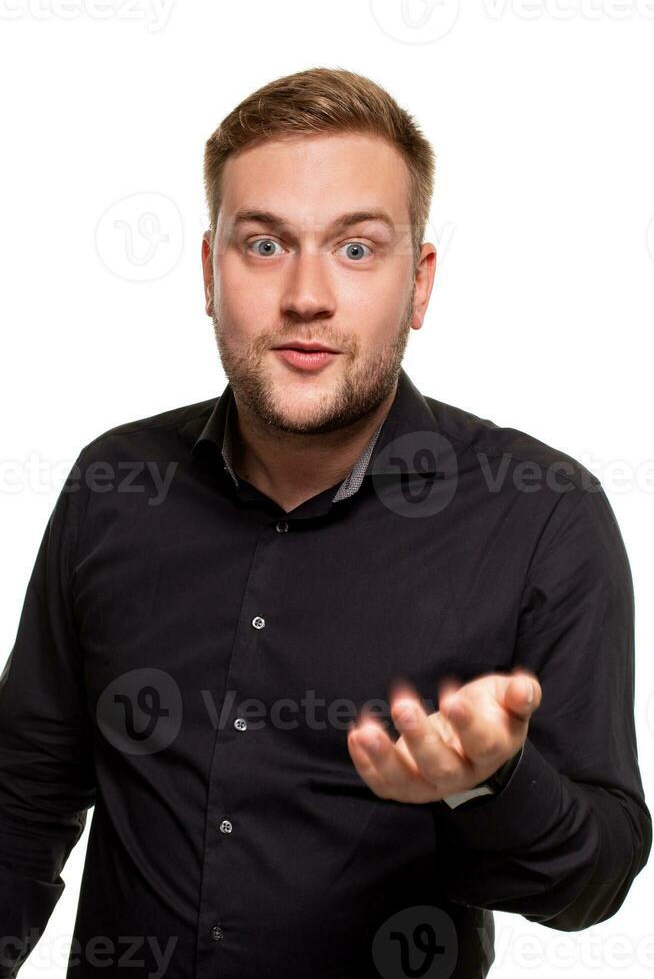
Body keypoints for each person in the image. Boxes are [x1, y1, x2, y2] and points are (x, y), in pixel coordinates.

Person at [0, 66, 650, 979]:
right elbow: (24, 799)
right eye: (264, 246)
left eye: (356, 249)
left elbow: (601, 878)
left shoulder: (544, 514)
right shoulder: (116, 481)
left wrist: (488, 784)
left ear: (418, 284)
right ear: (207, 271)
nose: (306, 295)